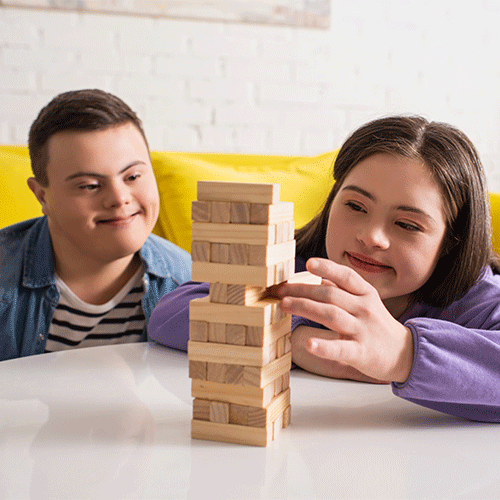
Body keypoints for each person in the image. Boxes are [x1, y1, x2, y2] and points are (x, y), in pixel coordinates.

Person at [147, 115, 500, 423]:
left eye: (406, 225)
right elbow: (171, 312)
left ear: (451, 241)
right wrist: (290, 340)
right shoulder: (297, 265)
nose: (370, 236)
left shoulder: (476, 301)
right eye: (355, 206)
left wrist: (401, 353)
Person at [0, 89, 191, 362]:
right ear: (42, 195)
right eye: (89, 185)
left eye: (133, 176)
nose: (119, 198)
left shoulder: (188, 284)